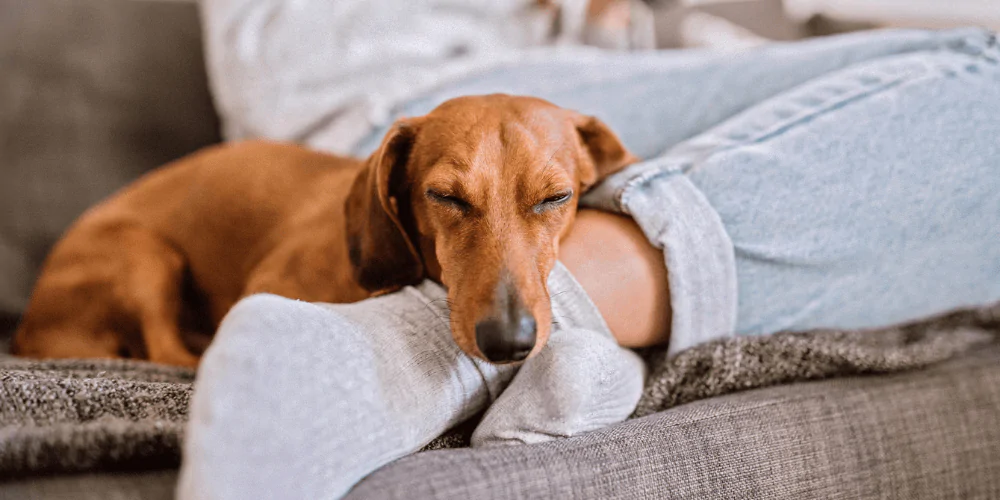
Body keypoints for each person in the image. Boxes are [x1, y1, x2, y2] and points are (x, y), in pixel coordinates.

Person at [178, 1, 1000, 496]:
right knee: (983, 75)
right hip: (393, 90)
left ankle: (580, 317)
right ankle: (411, 348)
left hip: (572, 75)